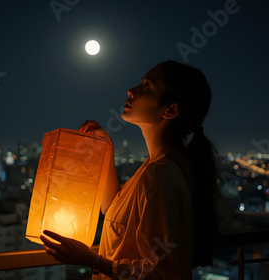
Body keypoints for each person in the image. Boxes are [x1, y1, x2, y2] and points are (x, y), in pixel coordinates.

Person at [40, 60, 228, 279]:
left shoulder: (160, 175)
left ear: (170, 110)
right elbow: (113, 209)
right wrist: (106, 149)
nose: (131, 90)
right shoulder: (157, 166)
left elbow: (161, 274)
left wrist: (90, 260)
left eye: (147, 86)